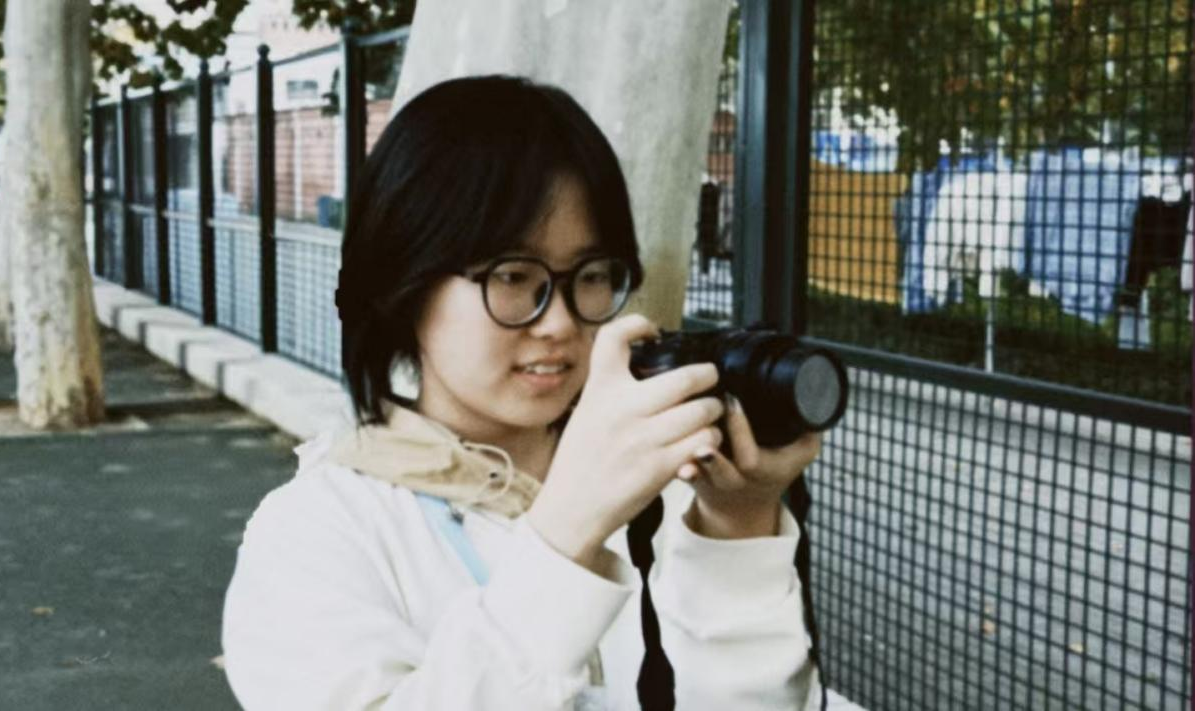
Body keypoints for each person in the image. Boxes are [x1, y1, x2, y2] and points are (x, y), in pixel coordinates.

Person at [221, 75, 825, 710]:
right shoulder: (316, 532)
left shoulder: (670, 489)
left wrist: (737, 524)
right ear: (405, 282)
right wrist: (566, 531)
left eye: (591, 275)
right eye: (513, 276)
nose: (560, 322)